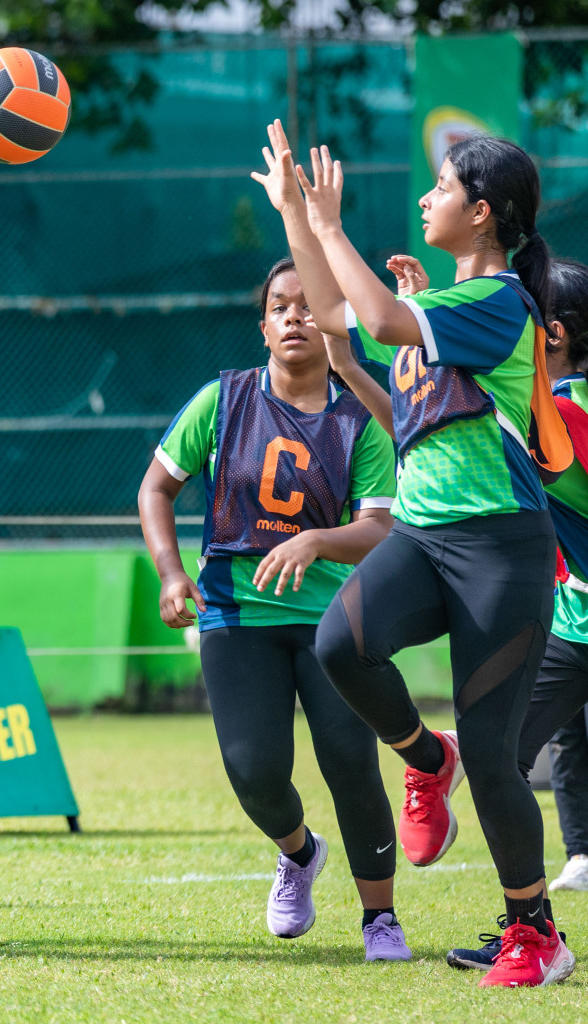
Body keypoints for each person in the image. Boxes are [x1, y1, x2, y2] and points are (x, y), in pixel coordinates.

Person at [253, 119, 575, 987]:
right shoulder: (444, 308)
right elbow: (336, 318)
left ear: (483, 213)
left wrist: (328, 226)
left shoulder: (502, 300)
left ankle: (534, 934)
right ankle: (429, 762)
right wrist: (294, 214)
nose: (426, 198)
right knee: (338, 647)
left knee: (498, 751)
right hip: (428, 539)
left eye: (440, 188)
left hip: (501, 549)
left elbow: (382, 318)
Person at [138, 259, 405, 959]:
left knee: (351, 758)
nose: (295, 317)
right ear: (262, 327)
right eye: (280, 307)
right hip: (236, 616)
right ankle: (298, 852)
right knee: (253, 768)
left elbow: (380, 528)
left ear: (337, 325)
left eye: (311, 307)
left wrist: (317, 541)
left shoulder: (361, 419)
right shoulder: (222, 401)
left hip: (334, 620)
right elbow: (155, 490)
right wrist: (171, 573)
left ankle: (380, 918)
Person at [443, 257, 588, 969]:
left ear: (549, 332)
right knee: (498, 755)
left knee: (499, 755)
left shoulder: (562, 411)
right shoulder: (544, 404)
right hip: (573, 621)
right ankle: (532, 931)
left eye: (518, 317)